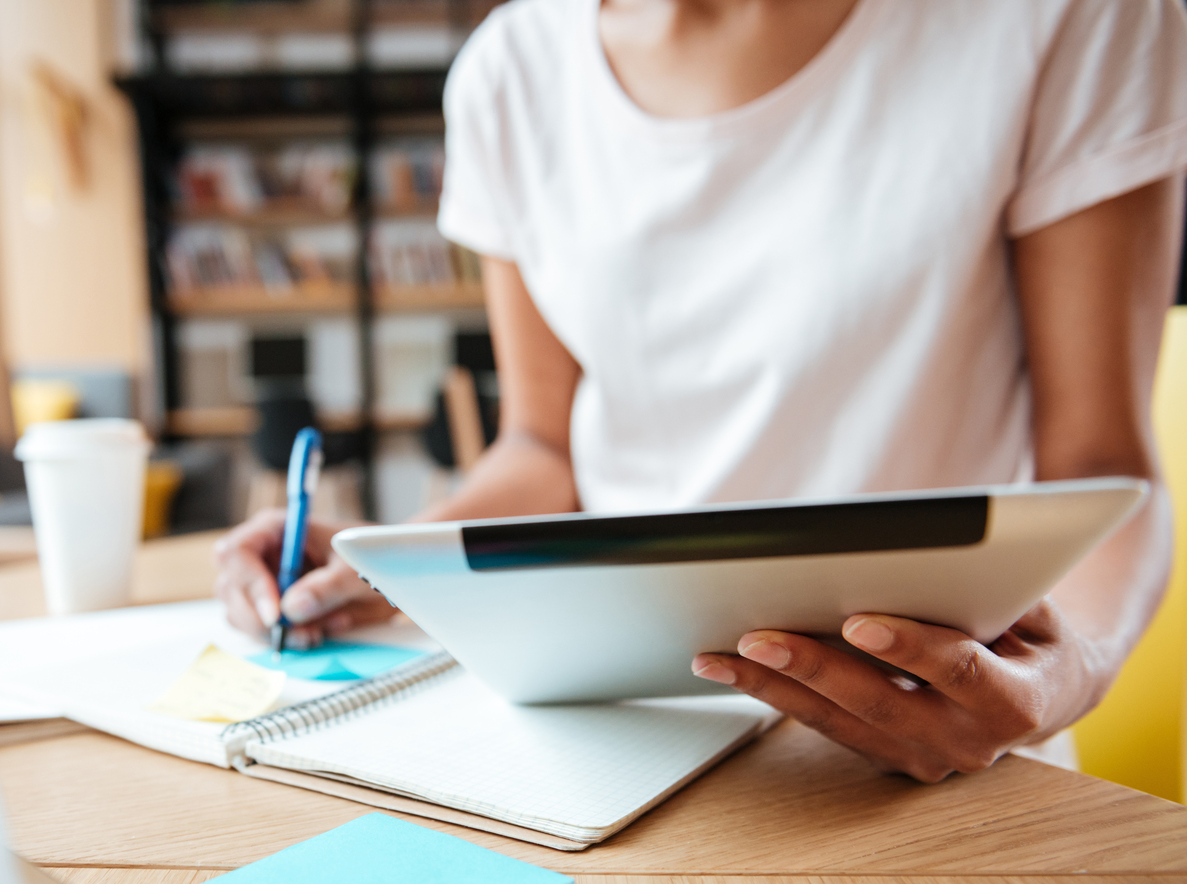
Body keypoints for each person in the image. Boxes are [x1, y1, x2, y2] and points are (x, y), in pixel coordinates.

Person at [216, 0, 1187, 782]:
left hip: (943, 742)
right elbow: (542, 448)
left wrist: (1070, 675)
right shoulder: (511, 70)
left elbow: (1101, 462)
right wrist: (382, 564)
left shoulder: (1073, 19)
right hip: (622, 740)